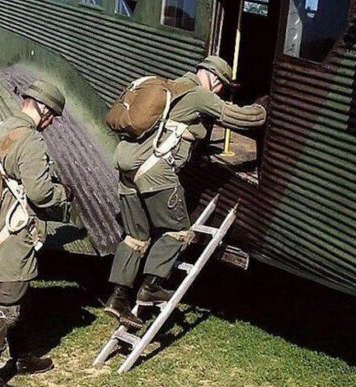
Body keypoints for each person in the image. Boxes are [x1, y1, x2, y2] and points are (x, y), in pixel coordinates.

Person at [104, 56, 267, 329]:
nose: (220, 92)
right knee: (177, 230)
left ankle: (118, 298)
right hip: (155, 173)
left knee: (135, 237)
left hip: (127, 170)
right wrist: (263, 108)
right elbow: (237, 118)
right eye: (222, 87)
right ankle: (151, 286)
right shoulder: (198, 95)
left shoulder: (174, 87)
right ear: (214, 79)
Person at [0, 80, 74, 387]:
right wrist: (63, 192)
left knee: (20, 294)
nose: (52, 121)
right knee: (5, 301)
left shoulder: (3, 128)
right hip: (12, 232)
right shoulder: (30, 139)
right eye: (52, 114)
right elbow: (41, 193)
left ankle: (22, 357)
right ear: (41, 108)